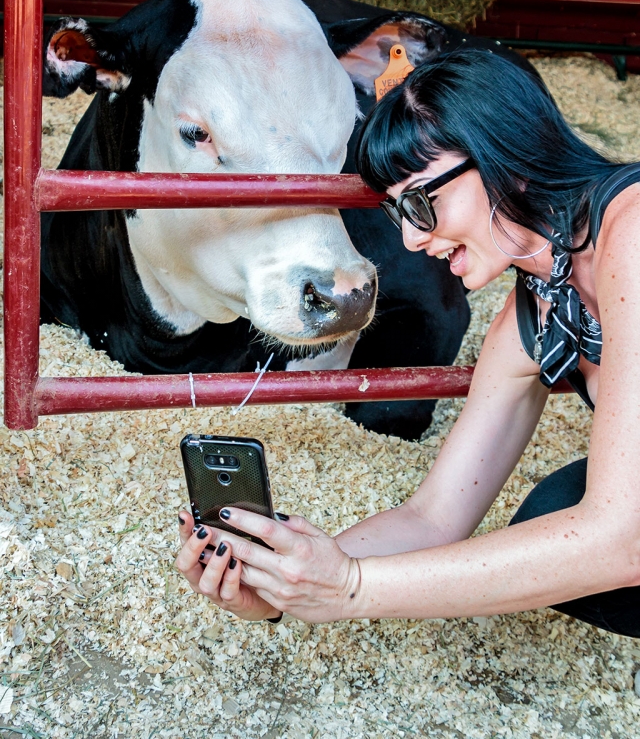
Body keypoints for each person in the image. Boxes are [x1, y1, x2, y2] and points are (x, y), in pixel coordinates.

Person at [175, 50, 640, 638]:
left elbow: (623, 540)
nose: (412, 239)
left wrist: (351, 590)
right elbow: (434, 517)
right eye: (399, 213)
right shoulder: (534, 306)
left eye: (422, 201)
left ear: (505, 153)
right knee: (556, 513)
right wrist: (283, 584)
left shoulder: (633, 227)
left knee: (568, 521)